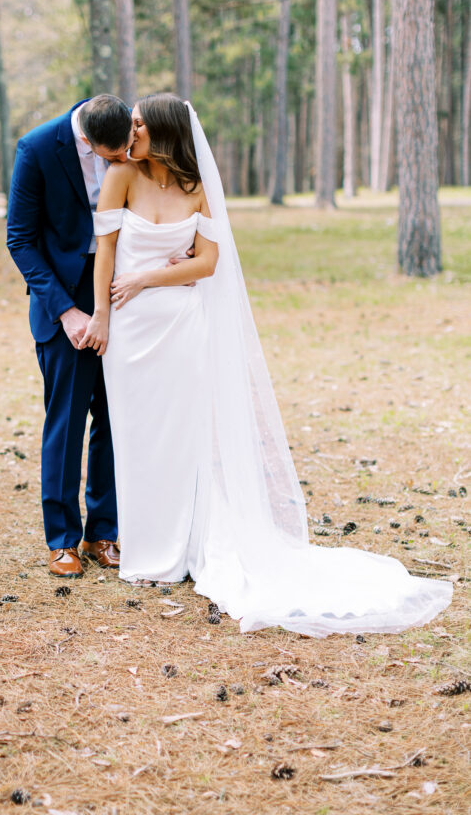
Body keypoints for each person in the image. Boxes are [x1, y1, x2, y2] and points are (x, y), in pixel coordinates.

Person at [81, 93, 453, 636]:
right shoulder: (120, 177)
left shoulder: (198, 186)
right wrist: (103, 316)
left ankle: (186, 550)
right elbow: (106, 253)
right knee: (137, 438)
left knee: (183, 439)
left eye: (138, 125)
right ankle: (147, 554)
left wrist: (147, 278)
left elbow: (208, 263)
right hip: (130, 332)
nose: (129, 133)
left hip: (182, 329)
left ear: (163, 132)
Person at [7, 95, 133, 579]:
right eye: (112, 156)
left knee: (114, 417)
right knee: (66, 421)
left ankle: (103, 531)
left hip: (123, 301)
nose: (122, 162)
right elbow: (20, 239)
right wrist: (66, 312)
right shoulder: (37, 148)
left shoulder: (124, 133)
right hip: (64, 305)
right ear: (86, 140)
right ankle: (61, 540)